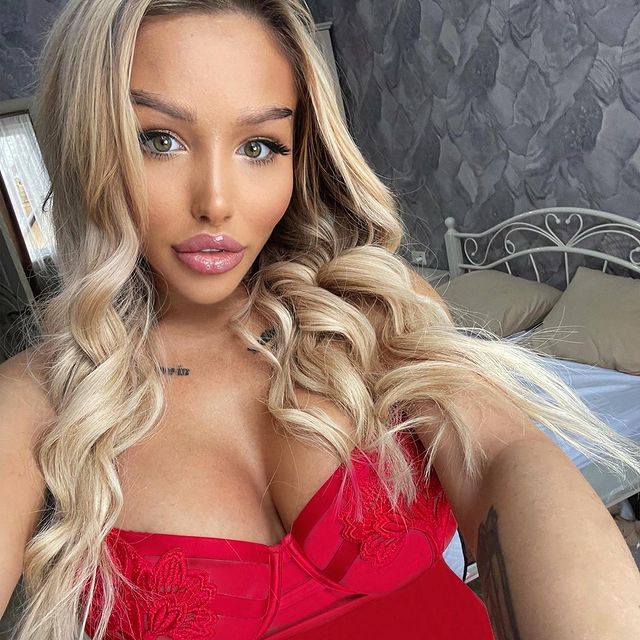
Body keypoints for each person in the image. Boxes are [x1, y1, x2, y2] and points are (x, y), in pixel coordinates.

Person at [0, 1, 639, 638]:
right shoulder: (35, 401)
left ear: (299, 156)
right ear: (89, 145)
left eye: (259, 146)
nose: (216, 202)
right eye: (158, 140)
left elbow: (504, 455)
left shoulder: (371, 310)